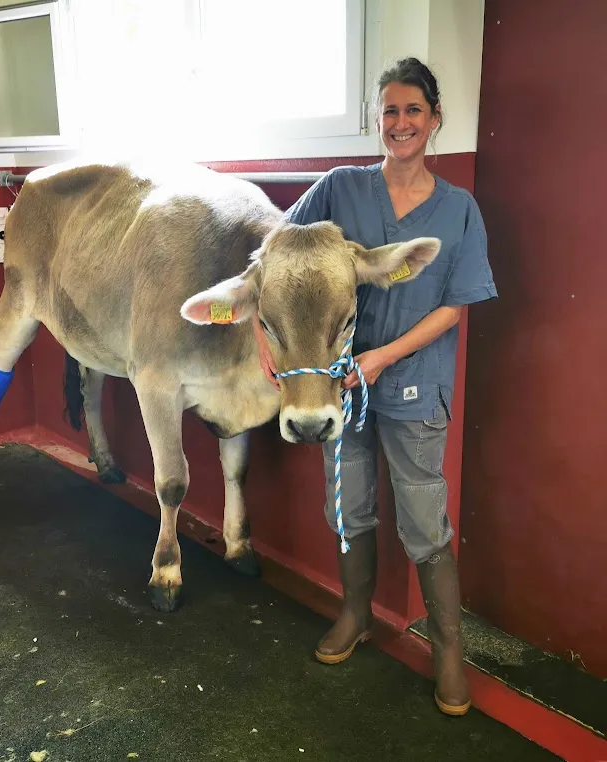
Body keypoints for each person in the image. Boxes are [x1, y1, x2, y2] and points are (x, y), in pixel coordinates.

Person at [252, 57, 497, 716]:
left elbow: (455, 307)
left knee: (424, 521)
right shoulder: (340, 187)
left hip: (415, 385)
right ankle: (355, 613)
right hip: (341, 387)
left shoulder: (459, 209)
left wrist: (385, 356)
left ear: (435, 119)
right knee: (349, 508)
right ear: (377, 120)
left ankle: (447, 651)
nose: (401, 122)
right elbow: (273, 251)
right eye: (390, 110)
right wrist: (263, 336)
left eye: (413, 110)